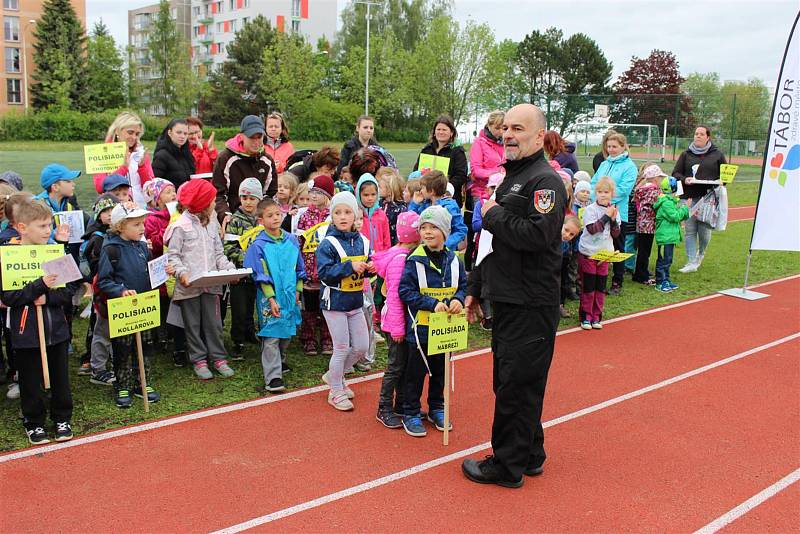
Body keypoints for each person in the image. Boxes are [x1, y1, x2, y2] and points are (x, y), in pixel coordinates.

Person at [462, 104, 566, 488]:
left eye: (518, 128)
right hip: (506, 298)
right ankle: (530, 453)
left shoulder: (546, 182)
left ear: (539, 136)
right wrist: (475, 288)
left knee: (515, 386)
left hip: (530, 304)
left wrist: (491, 214)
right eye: (505, 127)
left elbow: (537, 237)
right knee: (515, 382)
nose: (508, 134)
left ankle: (506, 466)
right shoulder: (509, 177)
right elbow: (490, 244)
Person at [1, 200, 77, 444]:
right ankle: (33, 422)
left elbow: (68, 294)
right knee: (30, 379)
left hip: (55, 329)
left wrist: (49, 296)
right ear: (22, 227)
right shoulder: (9, 256)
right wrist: (39, 286)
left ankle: (62, 417)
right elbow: (9, 297)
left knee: (60, 377)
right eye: (42, 226)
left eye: (49, 225)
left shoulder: (55, 252)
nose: (48, 231)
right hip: (25, 332)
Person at [398, 205, 466, 437]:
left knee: (441, 372)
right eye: (424, 228)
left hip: (446, 331)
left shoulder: (455, 260)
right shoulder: (414, 260)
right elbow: (405, 291)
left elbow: (463, 286)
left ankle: (437, 407)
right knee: (415, 374)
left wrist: (458, 299)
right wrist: (430, 304)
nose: (427, 232)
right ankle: (411, 412)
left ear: (445, 232)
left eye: (433, 227)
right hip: (420, 331)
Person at [165, 179, 236, 380]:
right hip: (189, 286)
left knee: (214, 323)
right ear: (203, 204)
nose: (215, 203)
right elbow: (174, 256)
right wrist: (182, 274)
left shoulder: (212, 224)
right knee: (193, 324)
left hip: (211, 285)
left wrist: (230, 271)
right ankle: (199, 360)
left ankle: (219, 358)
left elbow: (219, 254)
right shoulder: (181, 227)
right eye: (212, 200)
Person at [96, 201, 159, 407]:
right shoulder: (111, 249)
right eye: (136, 225)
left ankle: (143, 381)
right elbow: (104, 280)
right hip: (123, 310)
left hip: (144, 305)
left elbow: (148, 273)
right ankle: (122, 385)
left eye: (143, 223)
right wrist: (120, 290)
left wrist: (160, 272)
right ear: (121, 226)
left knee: (146, 346)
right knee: (123, 347)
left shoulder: (142, 246)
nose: (142, 228)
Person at [316, 191, 373, 411]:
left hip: (355, 302)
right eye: (337, 212)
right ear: (332, 216)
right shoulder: (328, 243)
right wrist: (349, 267)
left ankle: (334, 376)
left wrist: (370, 269)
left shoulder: (363, 242)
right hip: (334, 303)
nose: (342, 216)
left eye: (347, 212)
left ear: (355, 215)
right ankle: (336, 391)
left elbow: (366, 268)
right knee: (341, 347)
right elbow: (324, 272)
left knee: (361, 347)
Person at [245, 198, 306, 393]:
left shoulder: (291, 240)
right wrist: (271, 299)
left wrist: (298, 291)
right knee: (271, 334)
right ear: (261, 220)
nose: (275, 219)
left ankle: (281, 360)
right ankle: (273, 376)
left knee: (287, 331)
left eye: (278, 214)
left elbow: (299, 268)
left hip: (290, 294)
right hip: (269, 297)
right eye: (269, 216)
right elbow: (259, 275)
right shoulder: (259, 245)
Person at [372, 211, 420, 428]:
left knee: (405, 364)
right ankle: (384, 407)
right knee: (395, 366)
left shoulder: (399, 253)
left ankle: (401, 403)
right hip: (395, 324)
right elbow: (395, 297)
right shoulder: (401, 260)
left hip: (398, 322)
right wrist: (399, 329)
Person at [672, 125, 727, 273]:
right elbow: (676, 173)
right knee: (689, 230)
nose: (698, 136)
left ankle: (701, 253)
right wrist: (685, 179)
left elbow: (726, 176)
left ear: (708, 137)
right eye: (696, 134)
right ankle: (690, 262)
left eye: (701, 134)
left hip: (708, 198)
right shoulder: (686, 154)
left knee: (704, 231)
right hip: (689, 197)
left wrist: (721, 181)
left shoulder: (717, 155)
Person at [590, 132, 637, 295]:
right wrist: (595, 198)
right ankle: (597, 279)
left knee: (617, 246)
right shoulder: (604, 164)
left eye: (615, 146)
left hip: (618, 212)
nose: (611, 150)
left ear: (623, 147)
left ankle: (617, 281)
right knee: (597, 243)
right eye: (609, 146)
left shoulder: (630, 166)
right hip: (598, 211)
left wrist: (607, 200)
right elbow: (594, 182)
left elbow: (624, 190)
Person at [81, 193, 119, 385]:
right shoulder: (97, 239)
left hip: (118, 291)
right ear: (97, 215)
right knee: (102, 331)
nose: (110, 214)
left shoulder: (118, 234)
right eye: (105, 211)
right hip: (104, 293)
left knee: (115, 330)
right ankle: (98, 368)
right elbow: (97, 268)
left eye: (113, 209)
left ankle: (112, 362)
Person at [223, 178, 263, 360]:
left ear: (259, 200)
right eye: (244, 197)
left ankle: (249, 332)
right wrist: (246, 260)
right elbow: (229, 247)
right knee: (238, 309)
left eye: (252, 198)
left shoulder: (261, 220)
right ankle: (237, 342)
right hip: (240, 273)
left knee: (251, 307)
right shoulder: (235, 221)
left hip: (257, 275)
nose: (247, 202)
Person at [296, 175, 335, 355]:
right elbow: (300, 242)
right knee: (309, 308)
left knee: (327, 307)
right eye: (312, 191)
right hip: (309, 270)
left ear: (327, 196)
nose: (313, 195)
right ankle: (308, 339)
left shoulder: (332, 217)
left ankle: (328, 338)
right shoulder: (304, 216)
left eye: (318, 192)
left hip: (327, 273)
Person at [213, 115, 278, 223]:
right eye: (252, 137)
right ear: (242, 136)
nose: (256, 141)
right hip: (232, 217)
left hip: (259, 220)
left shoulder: (267, 160)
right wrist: (225, 215)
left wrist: (262, 215)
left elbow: (269, 194)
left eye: (259, 137)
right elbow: (219, 194)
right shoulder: (225, 158)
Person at [577, 177, 620, 330]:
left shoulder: (614, 210)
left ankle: (597, 316)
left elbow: (615, 234)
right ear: (595, 193)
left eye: (606, 192)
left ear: (612, 194)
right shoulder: (590, 210)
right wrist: (607, 217)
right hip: (589, 253)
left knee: (600, 287)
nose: (603, 195)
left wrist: (613, 220)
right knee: (588, 287)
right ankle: (586, 317)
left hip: (605, 255)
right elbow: (592, 229)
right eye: (600, 192)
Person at [94, 111, 154, 207]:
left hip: (140, 210)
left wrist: (142, 168)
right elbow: (100, 187)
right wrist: (123, 168)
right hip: (113, 211)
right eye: (130, 132)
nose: (134, 137)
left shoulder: (140, 153)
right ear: (117, 131)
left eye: (137, 134)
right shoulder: (103, 153)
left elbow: (149, 188)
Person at [413, 115, 469, 208]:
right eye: (438, 129)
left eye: (444, 130)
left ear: (451, 133)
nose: (441, 132)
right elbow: (416, 170)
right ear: (434, 132)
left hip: (447, 199)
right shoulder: (426, 150)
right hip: (425, 198)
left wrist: (443, 188)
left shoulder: (457, 151)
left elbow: (461, 176)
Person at [409, 170, 467, 252]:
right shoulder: (425, 204)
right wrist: (415, 203)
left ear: (431, 191)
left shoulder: (448, 207)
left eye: (423, 188)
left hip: (443, 253)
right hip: (427, 249)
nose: (420, 191)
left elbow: (461, 230)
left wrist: (444, 244)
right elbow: (412, 221)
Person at [654, 177, 690, 292]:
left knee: (668, 260)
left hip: (669, 237)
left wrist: (685, 212)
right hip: (665, 237)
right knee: (663, 260)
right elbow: (675, 217)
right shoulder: (666, 203)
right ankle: (660, 282)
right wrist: (685, 208)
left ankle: (666, 279)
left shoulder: (670, 201)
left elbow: (677, 216)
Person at [632, 165, 663, 285]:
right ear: (655, 178)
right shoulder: (654, 190)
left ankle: (638, 273)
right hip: (649, 225)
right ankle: (642, 275)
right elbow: (657, 204)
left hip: (641, 223)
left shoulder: (641, 189)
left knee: (642, 250)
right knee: (645, 251)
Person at [152, 118, 196, 190]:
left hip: (187, 197)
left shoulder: (186, 154)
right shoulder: (161, 156)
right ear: (170, 133)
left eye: (185, 133)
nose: (182, 136)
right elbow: (156, 184)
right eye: (179, 132)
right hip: (171, 199)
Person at [376, 167, 407, 245]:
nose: (377, 189)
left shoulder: (400, 209)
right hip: (379, 241)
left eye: (380, 187)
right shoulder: (379, 203)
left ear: (389, 191)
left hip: (392, 244)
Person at [559, 215, 581, 318]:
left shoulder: (568, 243)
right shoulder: (551, 237)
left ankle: (560, 305)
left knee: (563, 282)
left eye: (571, 234)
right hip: (552, 262)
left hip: (564, 259)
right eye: (566, 230)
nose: (567, 235)